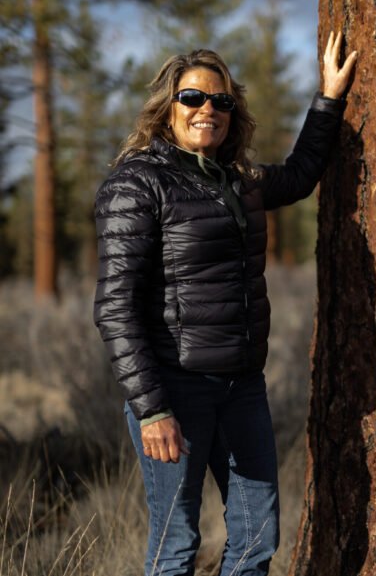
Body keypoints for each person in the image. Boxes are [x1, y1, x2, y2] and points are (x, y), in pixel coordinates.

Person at [93, 32, 357, 576]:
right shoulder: (138, 183)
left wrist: (328, 98)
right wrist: (153, 409)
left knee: (257, 536)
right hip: (175, 388)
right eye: (193, 98)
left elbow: (303, 174)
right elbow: (115, 306)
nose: (207, 109)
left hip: (242, 386)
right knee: (176, 544)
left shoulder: (239, 180)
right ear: (168, 107)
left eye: (221, 100)